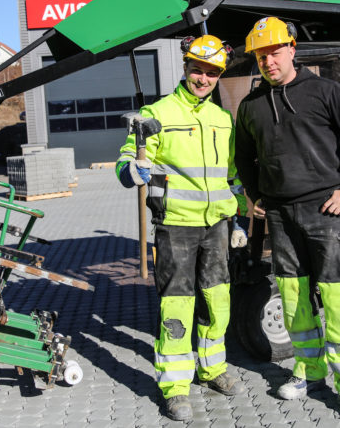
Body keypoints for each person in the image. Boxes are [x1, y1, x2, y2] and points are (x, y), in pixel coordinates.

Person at [234, 17, 340, 424]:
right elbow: (242, 157)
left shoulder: (323, 90)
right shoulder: (250, 106)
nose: (268, 61)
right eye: (261, 56)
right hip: (280, 216)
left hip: (324, 210)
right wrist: (255, 195)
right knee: (295, 298)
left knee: (337, 301)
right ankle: (309, 372)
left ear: (292, 50)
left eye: (275, 52)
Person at [115, 35, 250, 422]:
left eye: (211, 73)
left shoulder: (222, 119)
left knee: (218, 303)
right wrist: (132, 170)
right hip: (175, 227)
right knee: (177, 308)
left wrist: (236, 217)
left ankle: (212, 370)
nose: (203, 78)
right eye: (197, 70)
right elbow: (127, 160)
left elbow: (232, 176)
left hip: (217, 227)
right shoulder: (156, 113)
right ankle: (174, 387)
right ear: (186, 68)